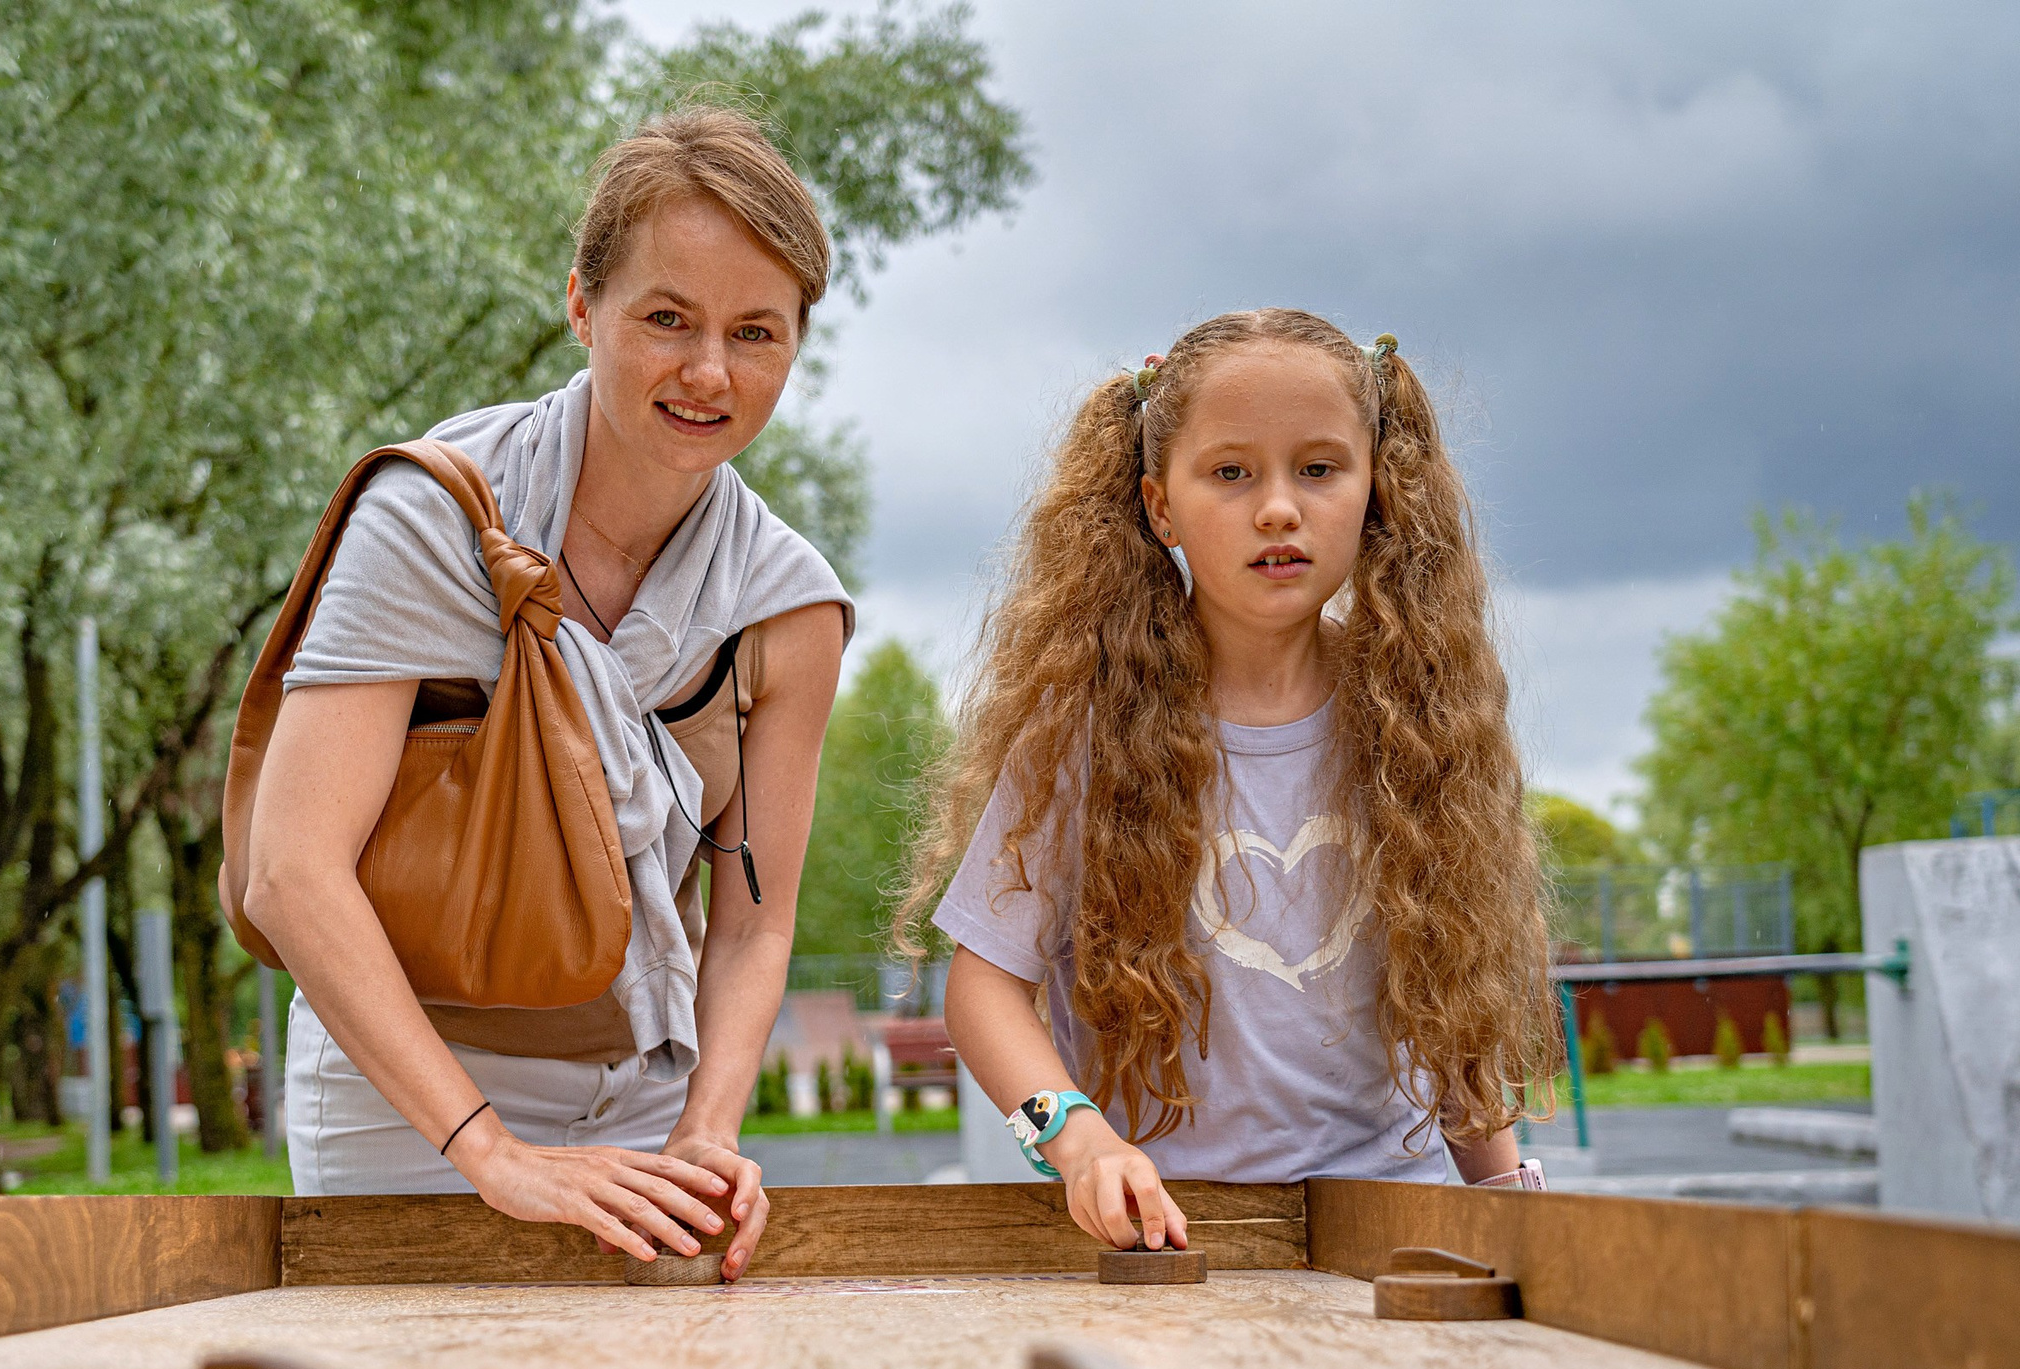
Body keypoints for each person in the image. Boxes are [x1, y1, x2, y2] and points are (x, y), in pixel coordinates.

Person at [244, 108, 851, 1279]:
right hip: (410, 1104)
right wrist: (491, 1152)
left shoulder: (787, 608)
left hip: (646, 1103)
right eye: (666, 319)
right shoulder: (433, 519)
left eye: (755, 333)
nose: (709, 372)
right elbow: (291, 873)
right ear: (581, 304)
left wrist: (706, 1135)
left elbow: (754, 922)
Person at [907, 309, 1556, 1255]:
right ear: (1159, 507)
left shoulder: (1421, 725)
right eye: (1230, 473)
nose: (1279, 508)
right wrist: (1078, 1140)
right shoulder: (1083, 734)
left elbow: (1450, 1002)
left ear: (1377, 489)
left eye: (1319, 468)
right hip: (1167, 1237)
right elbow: (984, 986)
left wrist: (1507, 1198)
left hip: (1392, 1230)